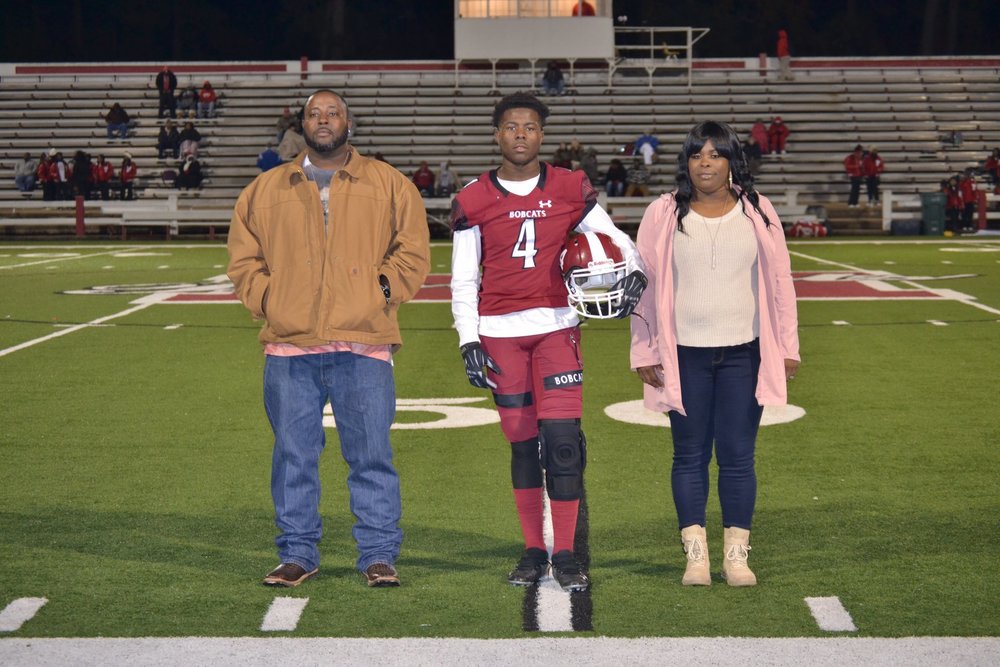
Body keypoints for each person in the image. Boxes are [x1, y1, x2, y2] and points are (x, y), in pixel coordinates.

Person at [227, 89, 430, 589]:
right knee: (293, 456)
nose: (323, 120)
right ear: (302, 125)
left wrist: (380, 289)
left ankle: (378, 554)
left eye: (332, 112)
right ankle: (297, 552)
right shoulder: (266, 188)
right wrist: (270, 299)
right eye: (314, 114)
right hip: (290, 347)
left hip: (363, 345)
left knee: (371, 456)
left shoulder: (389, 184)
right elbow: (244, 259)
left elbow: (413, 251)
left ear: (348, 122)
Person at [449, 92, 647, 592]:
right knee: (521, 447)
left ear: (542, 135)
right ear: (497, 135)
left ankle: (564, 553)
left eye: (530, 127)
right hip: (500, 335)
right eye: (512, 126)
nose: (521, 134)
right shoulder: (473, 197)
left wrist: (636, 268)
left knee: (562, 446)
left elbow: (615, 238)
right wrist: (467, 339)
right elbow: (461, 279)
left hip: (558, 327)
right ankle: (533, 549)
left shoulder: (567, 186)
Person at [630, 120, 800, 588]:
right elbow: (642, 288)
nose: (705, 163)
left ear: (731, 161)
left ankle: (737, 556)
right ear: (686, 161)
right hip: (682, 354)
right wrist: (643, 348)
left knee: (738, 456)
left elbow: (781, 282)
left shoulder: (759, 210)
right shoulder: (663, 211)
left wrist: (786, 346)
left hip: (745, 353)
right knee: (688, 456)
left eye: (715, 154)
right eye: (697, 154)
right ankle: (696, 555)